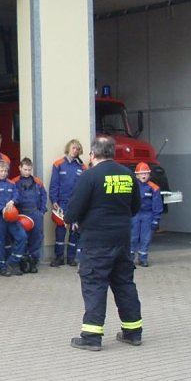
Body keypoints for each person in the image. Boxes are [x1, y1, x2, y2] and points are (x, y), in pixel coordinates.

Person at [65, 136, 143, 351]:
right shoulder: (128, 175)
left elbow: (74, 209)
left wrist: (70, 219)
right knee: (124, 283)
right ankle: (133, 332)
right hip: (122, 239)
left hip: (96, 242)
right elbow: (135, 207)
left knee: (94, 284)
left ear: (92, 154)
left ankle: (91, 336)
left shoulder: (89, 176)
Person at [0, 160, 27, 276]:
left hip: (12, 216)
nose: (4, 173)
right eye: (1, 171)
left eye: (5, 171)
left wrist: (13, 201)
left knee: (22, 236)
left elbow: (17, 196)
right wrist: (1, 209)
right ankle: (1, 267)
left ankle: (12, 261)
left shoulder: (11, 183)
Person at [49, 139, 86, 267]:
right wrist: (54, 200)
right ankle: (59, 257)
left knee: (75, 230)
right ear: (68, 148)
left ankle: (71, 258)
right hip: (61, 203)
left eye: (77, 149)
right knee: (60, 230)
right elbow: (54, 184)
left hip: (76, 203)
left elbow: (84, 187)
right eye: (73, 148)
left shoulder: (82, 167)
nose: (75, 151)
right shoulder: (58, 164)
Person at [11, 157, 48, 273]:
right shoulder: (14, 182)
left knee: (36, 237)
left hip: (35, 212)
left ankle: (33, 261)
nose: (27, 172)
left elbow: (44, 196)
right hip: (22, 214)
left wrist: (41, 211)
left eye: (29, 170)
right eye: (25, 169)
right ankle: (23, 261)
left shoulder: (37, 182)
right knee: (23, 238)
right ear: (20, 168)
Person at [130, 162, 164, 267]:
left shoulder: (154, 188)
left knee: (146, 238)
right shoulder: (132, 186)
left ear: (149, 175)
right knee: (132, 237)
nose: (144, 175)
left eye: (146, 173)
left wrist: (156, 219)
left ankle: (143, 258)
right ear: (137, 175)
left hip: (147, 215)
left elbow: (157, 205)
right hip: (134, 215)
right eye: (141, 173)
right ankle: (129, 259)